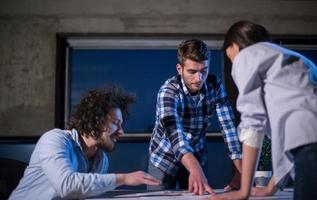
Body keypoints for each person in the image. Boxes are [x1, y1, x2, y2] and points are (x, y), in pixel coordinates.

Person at [207, 21, 317, 200]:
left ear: (234, 46)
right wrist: (270, 189)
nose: (233, 64)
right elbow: (297, 134)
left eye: (230, 58)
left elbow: (253, 123)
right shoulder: (293, 58)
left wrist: (244, 191)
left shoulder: (247, 56)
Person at [9, 86, 160, 200]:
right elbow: (67, 186)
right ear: (96, 119)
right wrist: (124, 178)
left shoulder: (101, 160)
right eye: (115, 123)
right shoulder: (54, 139)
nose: (121, 132)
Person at [148, 39, 242, 195]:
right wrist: (195, 168)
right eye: (192, 72)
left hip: (197, 155)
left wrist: (241, 171)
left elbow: (229, 128)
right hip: (163, 160)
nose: (199, 79)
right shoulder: (168, 91)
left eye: (203, 71)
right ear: (180, 69)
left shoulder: (215, 86)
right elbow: (174, 133)